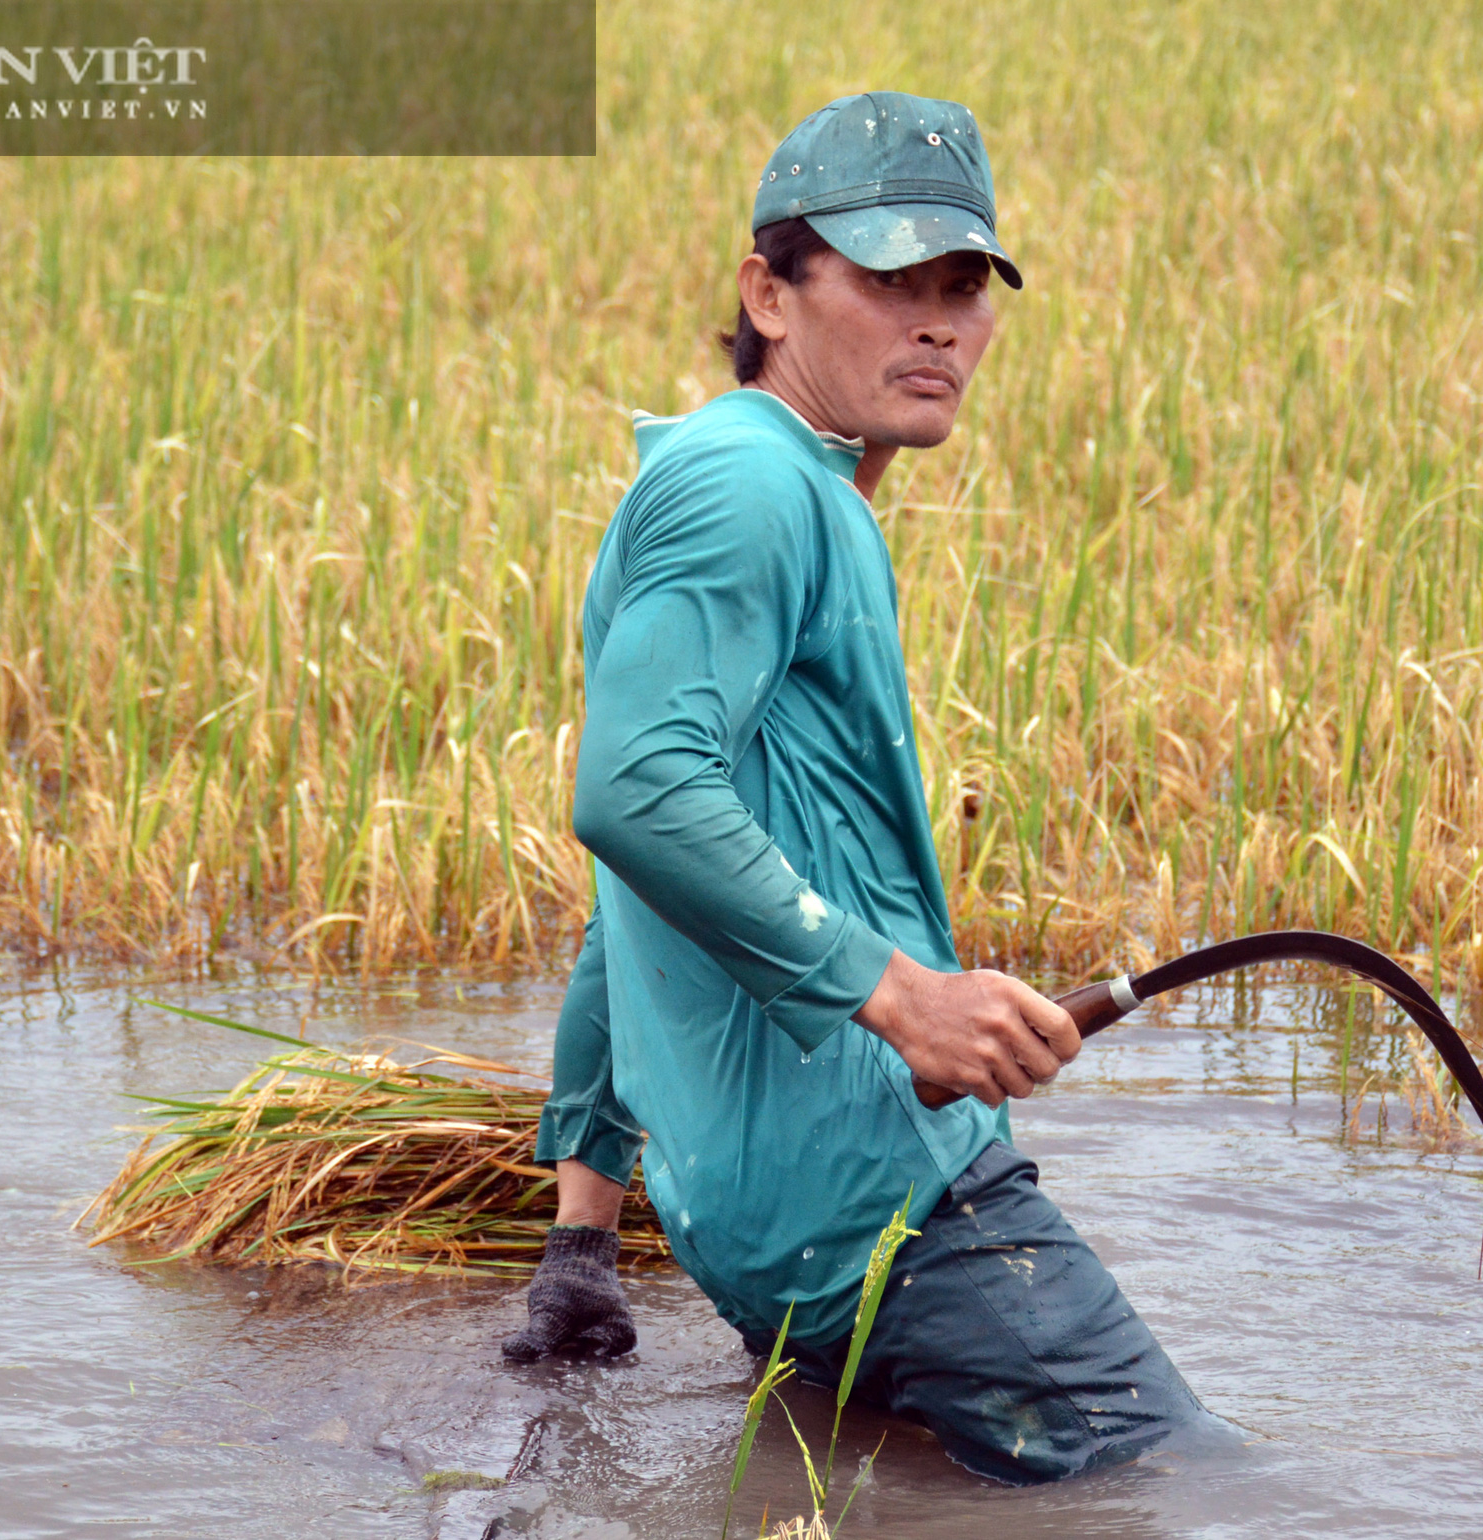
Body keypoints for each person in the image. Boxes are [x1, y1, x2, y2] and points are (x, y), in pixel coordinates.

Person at [498, 90, 1212, 1484]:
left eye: (962, 286)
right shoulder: (751, 488)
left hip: (783, 1235)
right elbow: (635, 795)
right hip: (895, 1203)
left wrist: (583, 1234)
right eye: (890, 281)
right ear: (772, 292)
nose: (937, 323)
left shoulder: (782, 485)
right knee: (1174, 1491)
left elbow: (645, 878)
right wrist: (904, 995)